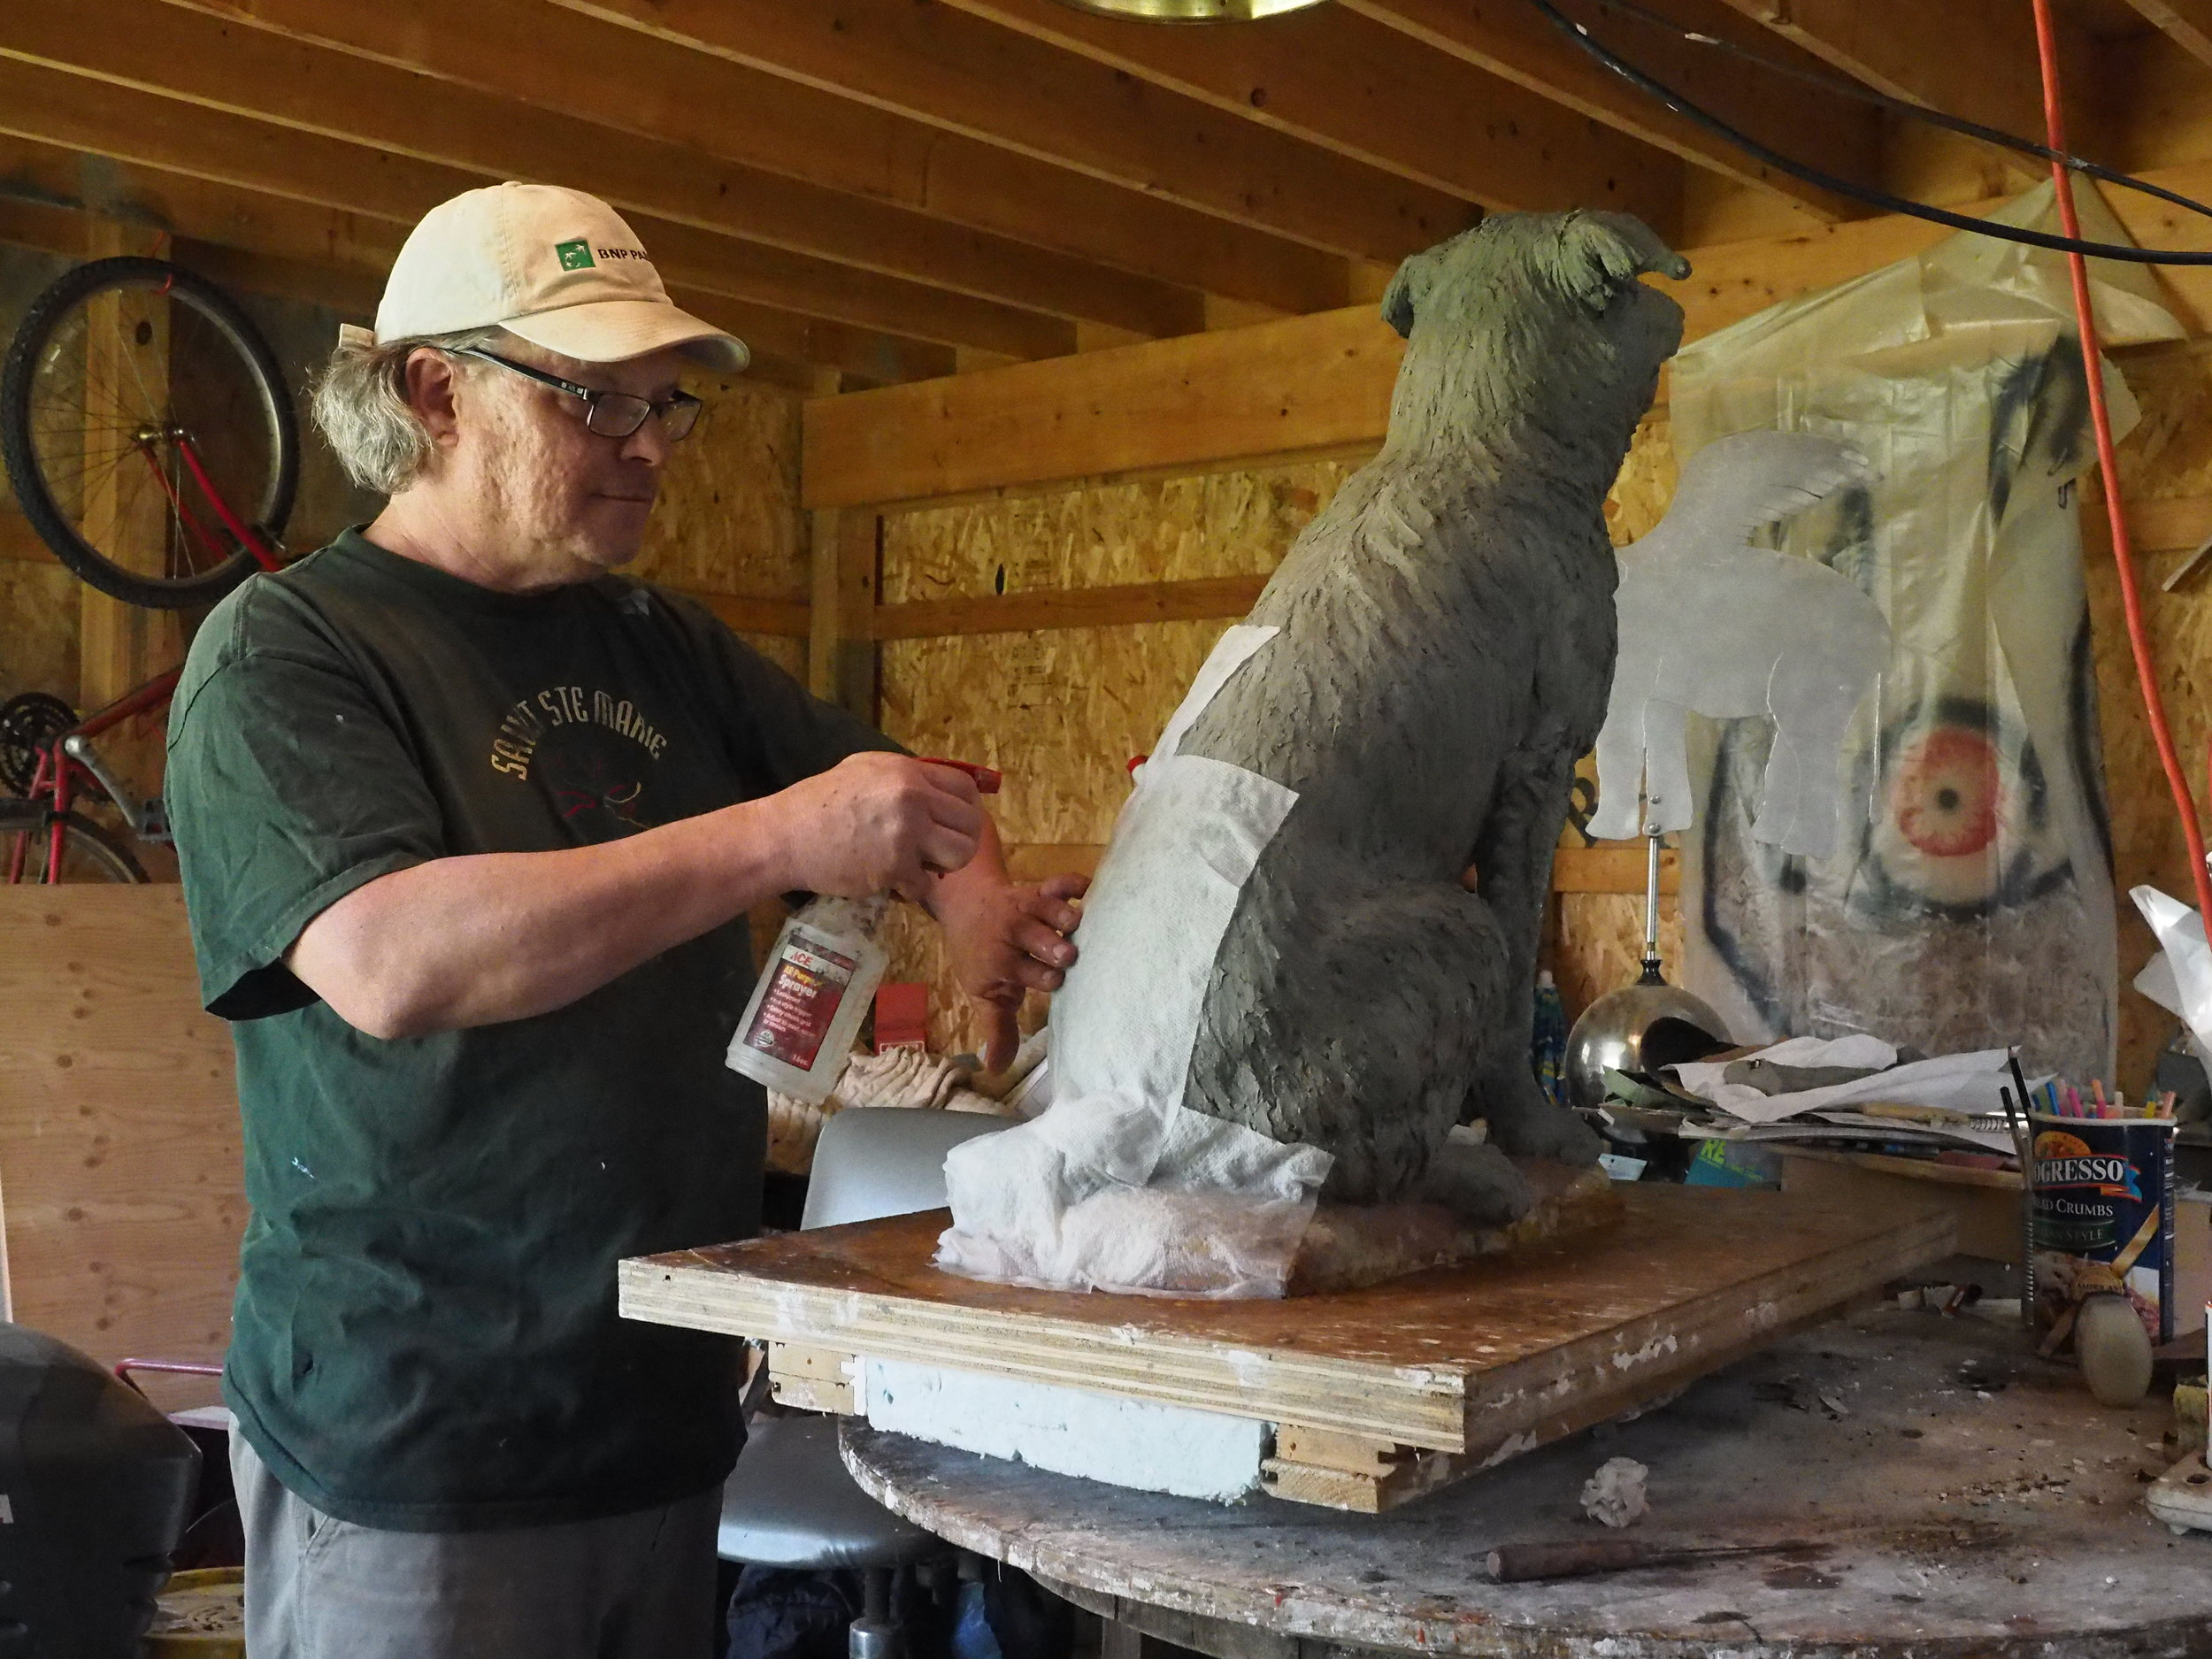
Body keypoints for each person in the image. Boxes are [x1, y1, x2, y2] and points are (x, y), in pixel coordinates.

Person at [165, 181, 1087, 1659]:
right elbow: (392, 960)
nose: (650, 446)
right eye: (598, 401)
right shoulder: (289, 652)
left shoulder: (659, 641)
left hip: (656, 1420)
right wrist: (780, 836)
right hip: (420, 1447)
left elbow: (891, 793)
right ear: (435, 390)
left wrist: (975, 903)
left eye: (665, 406)